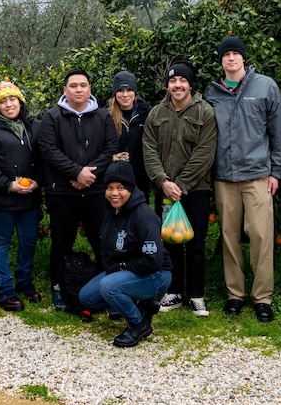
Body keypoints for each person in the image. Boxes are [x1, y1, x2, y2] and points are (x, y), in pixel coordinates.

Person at [206, 36, 281, 323]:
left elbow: (278, 133)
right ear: (221, 61)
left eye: (235, 54)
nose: (231, 58)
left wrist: (276, 171)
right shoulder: (212, 92)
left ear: (243, 58)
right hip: (224, 177)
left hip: (258, 176)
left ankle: (262, 297)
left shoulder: (265, 86)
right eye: (225, 54)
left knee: (262, 237)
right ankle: (235, 295)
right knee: (229, 237)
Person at [39, 69, 119, 310]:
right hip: (63, 192)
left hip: (95, 192)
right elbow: (49, 150)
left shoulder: (103, 117)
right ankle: (58, 288)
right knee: (62, 241)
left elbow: (111, 149)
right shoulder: (52, 117)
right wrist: (75, 173)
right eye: (73, 85)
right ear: (65, 90)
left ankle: (107, 289)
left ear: (89, 89)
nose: (78, 89)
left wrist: (88, 175)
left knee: (102, 240)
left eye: (83, 85)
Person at [142, 61, 217, 317]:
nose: (177, 85)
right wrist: (163, 182)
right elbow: (149, 149)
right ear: (167, 85)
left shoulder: (204, 112)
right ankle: (173, 291)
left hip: (195, 189)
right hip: (164, 190)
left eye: (182, 81)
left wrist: (181, 185)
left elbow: (205, 153)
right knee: (170, 241)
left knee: (195, 242)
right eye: (173, 81)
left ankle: (197, 295)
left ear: (190, 85)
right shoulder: (156, 113)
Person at [79, 161, 172, 347]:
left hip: (156, 274)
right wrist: (114, 268)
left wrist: (120, 268)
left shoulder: (144, 216)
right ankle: (143, 305)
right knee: (86, 297)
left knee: (108, 286)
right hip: (125, 271)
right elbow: (105, 249)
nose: (114, 193)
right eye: (110, 188)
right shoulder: (110, 212)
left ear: (131, 188)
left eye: (120, 188)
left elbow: (152, 261)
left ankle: (138, 324)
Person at [0, 81, 43, 312]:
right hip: (0, 199)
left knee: (28, 242)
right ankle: (5, 291)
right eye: (3, 102)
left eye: (12, 99)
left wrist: (37, 181)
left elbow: (46, 158)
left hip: (29, 198)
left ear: (20, 101)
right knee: (2, 242)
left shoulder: (35, 126)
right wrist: (7, 185)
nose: (8, 104)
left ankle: (25, 283)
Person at [107, 71, 153, 209]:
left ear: (135, 92)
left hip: (140, 180)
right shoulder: (106, 117)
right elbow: (99, 147)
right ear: (115, 93)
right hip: (114, 181)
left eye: (129, 90)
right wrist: (112, 157)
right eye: (120, 90)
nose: (125, 95)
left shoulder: (148, 113)